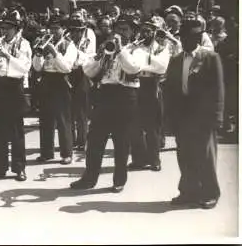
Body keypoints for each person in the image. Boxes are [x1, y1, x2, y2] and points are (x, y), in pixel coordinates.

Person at [70, 21, 147, 193]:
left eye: (125, 29)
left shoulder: (138, 50)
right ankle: (89, 179)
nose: (120, 32)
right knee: (95, 138)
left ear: (132, 32)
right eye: (118, 29)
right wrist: (101, 56)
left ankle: (119, 180)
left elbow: (134, 68)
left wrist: (120, 51)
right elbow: (89, 71)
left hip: (126, 96)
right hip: (105, 95)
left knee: (121, 141)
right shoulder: (106, 49)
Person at [163, 19, 224, 209]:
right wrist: (169, 118)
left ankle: (210, 193)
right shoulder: (175, 60)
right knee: (185, 154)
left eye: (192, 37)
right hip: (182, 115)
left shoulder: (210, 58)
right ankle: (189, 191)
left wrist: (217, 116)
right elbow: (171, 90)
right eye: (184, 37)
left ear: (198, 38)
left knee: (205, 155)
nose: (187, 41)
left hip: (203, 115)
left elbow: (218, 89)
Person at [0, 9, 32, 181]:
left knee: (16, 132)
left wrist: (7, 56)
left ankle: (19, 168)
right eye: (2, 28)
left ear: (16, 28)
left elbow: (24, 68)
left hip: (14, 87)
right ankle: (0, 168)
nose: (3, 31)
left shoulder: (24, 44)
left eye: (7, 28)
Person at [128, 17, 172, 172]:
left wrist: (143, 61)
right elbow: (130, 65)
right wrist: (146, 62)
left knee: (152, 126)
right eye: (144, 29)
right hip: (137, 85)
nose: (146, 32)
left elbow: (161, 67)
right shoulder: (135, 47)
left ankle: (154, 160)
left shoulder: (162, 48)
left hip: (152, 86)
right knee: (135, 125)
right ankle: (139, 159)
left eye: (150, 30)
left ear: (155, 32)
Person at [33, 15, 77, 165]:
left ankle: (67, 153)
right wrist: (38, 55)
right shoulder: (44, 43)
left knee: (63, 119)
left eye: (57, 28)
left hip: (61, 81)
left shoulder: (68, 45)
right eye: (51, 27)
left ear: (63, 29)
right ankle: (46, 152)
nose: (53, 31)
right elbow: (37, 67)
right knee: (45, 119)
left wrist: (55, 52)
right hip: (46, 80)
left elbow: (66, 68)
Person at [68, 15, 96, 151]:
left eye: (78, 30)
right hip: (69, 74)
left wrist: (73, 49)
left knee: (82, 111)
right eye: (72, 30)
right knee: (70, 110)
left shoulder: (87, 40)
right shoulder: (68, 41)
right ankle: (71, 140)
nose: (74, 33)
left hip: (82, 74)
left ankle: (82, 140)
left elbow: (85, 58)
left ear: (82, 31)